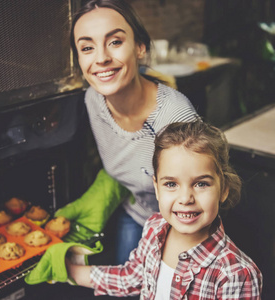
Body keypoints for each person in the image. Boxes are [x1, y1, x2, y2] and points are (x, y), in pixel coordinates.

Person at [54, 0, 199, 265]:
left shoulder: (175, 118)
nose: (101, 58)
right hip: (135, 212)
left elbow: (196, 204)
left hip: (181, 225)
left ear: (140, 48)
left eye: (115, 42)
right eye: (87, 47)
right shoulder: (93, 101)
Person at [64, 121, 263, 299]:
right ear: (157, 188)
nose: (185, 198)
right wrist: (70, 270)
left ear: (224, 190)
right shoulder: (154, 227)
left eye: (201, 184)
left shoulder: (237, 274)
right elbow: (131, 278)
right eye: (171, 184)